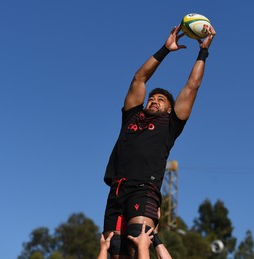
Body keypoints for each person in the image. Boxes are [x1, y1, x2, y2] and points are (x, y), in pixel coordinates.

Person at [102, 23, 216, 258]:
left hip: (144, 188)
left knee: (138, 242)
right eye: (152, 98)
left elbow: (192, 86)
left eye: (161, 99)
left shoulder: (170, 124)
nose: (154, 100)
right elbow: (138, 79)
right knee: (115, 253)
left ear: (169, 109)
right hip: (117, 190)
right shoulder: (132, 115)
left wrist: (203, 51)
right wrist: (165, 49)